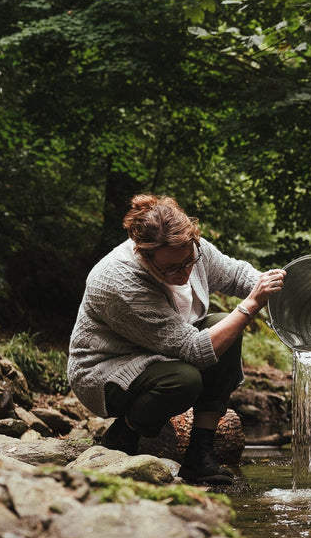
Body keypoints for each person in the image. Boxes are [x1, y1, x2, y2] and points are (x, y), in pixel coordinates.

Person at [68, 194, 286, 485]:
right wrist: (250, 306)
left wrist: (280, 289)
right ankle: (123, 436)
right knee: (185, 380)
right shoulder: (118, 281)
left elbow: (237, 275)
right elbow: (195, 351)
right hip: (107, 373)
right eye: (171, 269)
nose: (185, 272)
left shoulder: (190, 249)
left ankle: (200, 454)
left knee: (225, 327)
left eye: (188, 262)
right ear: (143, 255)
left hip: (162, 355)